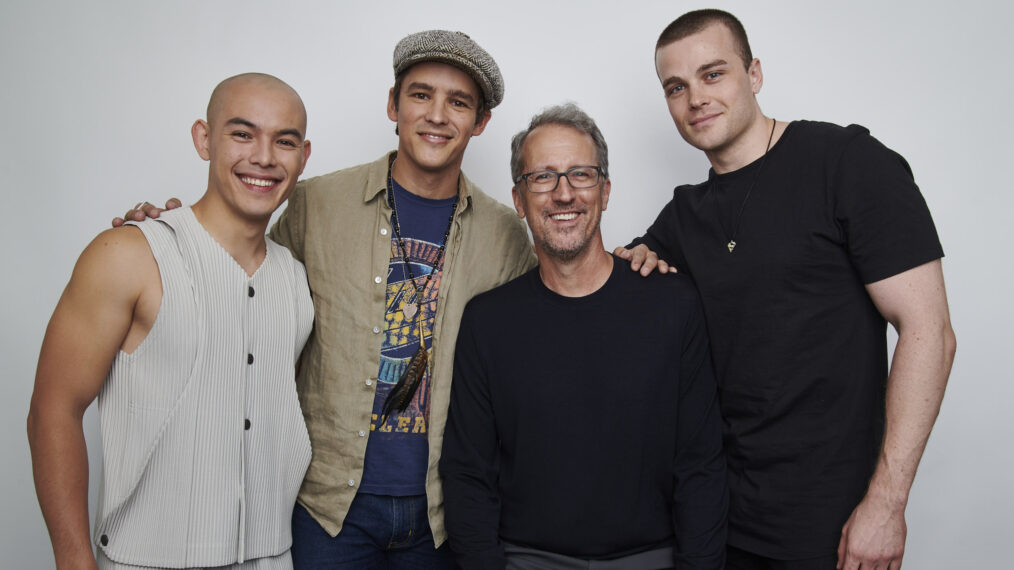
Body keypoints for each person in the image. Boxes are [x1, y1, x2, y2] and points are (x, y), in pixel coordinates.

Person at [116, 31, 536, 568]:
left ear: (479, 123)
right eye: (420, 95)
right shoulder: (318, 203)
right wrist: (170, 232)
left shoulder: (503, 232)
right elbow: (244, 288)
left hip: (441, 513)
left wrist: (623, 263)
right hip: (327, 510)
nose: (437, 115)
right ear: (393, 104)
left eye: (458, 102)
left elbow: (539, 327)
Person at [615, 9, 957, 569]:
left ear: (754, 74)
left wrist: (886, 504)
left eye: (713, 74)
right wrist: (636, 257)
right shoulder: (682, 217)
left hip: (835, 524)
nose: (695, 98)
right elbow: (621, 290)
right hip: (716, 524)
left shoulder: (847, 163)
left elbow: (931, 333)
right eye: (675, 87)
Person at [28, 73, 314, 569]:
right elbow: (53, 410)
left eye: (284, 141)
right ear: (204, 139)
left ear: (303, 157)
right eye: (242, 134)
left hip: (274, 557)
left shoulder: (296, 279)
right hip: (145, 559)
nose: (264, 157)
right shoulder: (128, 254)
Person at [441, 103, 728, 570]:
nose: (563, 193)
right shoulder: (487, 322)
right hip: (525, 559)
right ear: (518, 199)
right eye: (543, 177)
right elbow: (468, 474)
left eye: (581, 174)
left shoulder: (673, 304)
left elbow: (700, 465)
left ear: (606, 191)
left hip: (650, 558)